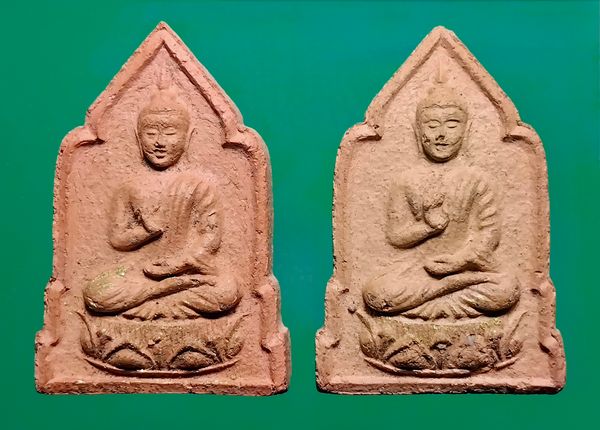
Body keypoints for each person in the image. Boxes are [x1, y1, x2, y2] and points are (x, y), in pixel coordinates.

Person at [362, 81, 519, 320]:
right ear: (418, 131)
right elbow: (396, 236)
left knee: (507, 289)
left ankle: (431, 304)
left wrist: (459, 261)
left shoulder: (478, 180)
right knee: (376, 293)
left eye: (452, 125)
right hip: (419, 270)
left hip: (465, 268)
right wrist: (428, 227)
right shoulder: (405, 180)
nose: (441, 134)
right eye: (432, 125)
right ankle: (447, 299)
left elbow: (489, 233)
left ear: (466, 130)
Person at [83, 84, 240, 321]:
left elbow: (210, 238)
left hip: (187, 270)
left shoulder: (198, 186)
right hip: (139, 271)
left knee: (228, 291)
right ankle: (164, 294)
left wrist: (179, 264)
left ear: (187, 137)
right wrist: (147, 231)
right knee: (96, 293)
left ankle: (154, 300)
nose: (159, 142)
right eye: (151, 133)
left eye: (170, 133)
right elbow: (117, 239)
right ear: (138, 137)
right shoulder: (129, 187)